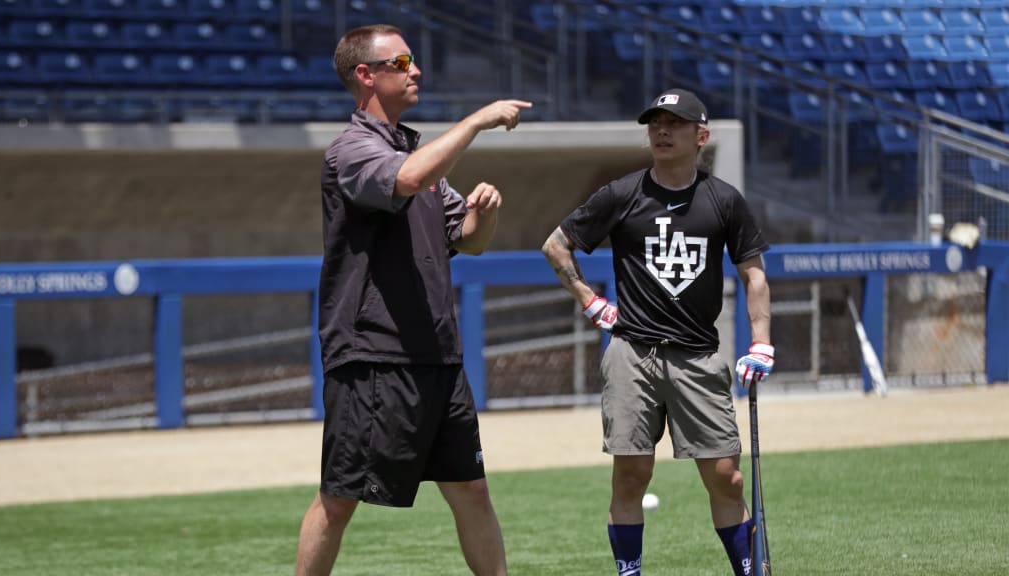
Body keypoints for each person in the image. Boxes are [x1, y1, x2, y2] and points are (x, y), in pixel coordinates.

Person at [294, 24, 532, 576]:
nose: (416, 70)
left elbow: (467, 241)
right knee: (340, 497)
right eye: (401, 62)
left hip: (437, 355)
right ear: (366, 75)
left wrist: (484, 213)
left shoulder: (417, 153)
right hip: (372, 354)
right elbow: (403, 180)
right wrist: (475, 122)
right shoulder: (351, 149)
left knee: (471, 488)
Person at [541, 88, 773, 576]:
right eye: (655, 123)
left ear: (701, 136)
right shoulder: (622, 193)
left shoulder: (724, 200)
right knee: (630, 477)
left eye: (675, 123)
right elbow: (557, 245)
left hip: (698, 357)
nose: (661, 131)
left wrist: (761, 342)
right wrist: (590, 302)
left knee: (727, 479)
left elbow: (754, 274)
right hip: (633, 354)